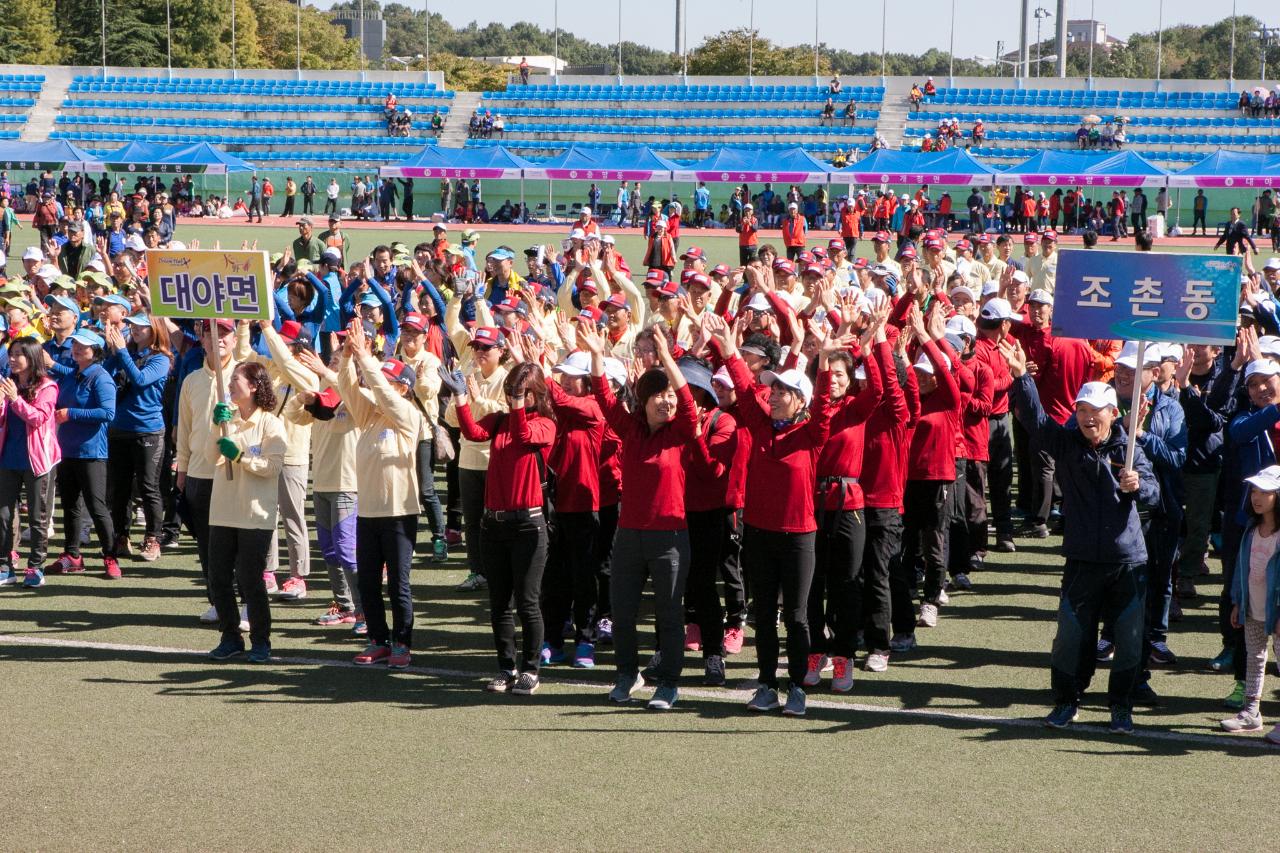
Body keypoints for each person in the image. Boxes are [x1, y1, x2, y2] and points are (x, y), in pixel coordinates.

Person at [1003, 340, 1159, 735]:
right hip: (1082, 561)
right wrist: (1023, 379)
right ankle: (1067, 700)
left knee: (1129, 639)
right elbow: (1036, 423)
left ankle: (1121, 706)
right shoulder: (1068, 445)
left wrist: (1137, 484)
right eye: (1082, 411)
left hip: (1127, 563)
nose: (1089, 419)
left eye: (1097, 412)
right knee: (1072, 636)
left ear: (1113, 414)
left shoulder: (1130, 450)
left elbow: (1157, 495)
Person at [706, 307, 838, 718]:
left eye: (783, 391)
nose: (774, 395)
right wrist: (729, 351)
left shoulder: (812, 432)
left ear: (800, 400)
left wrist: (827, 362)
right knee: (765, 615)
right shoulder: (763, 427)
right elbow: (746, 391)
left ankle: (796, 687)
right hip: (759, 534)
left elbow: (827, 407)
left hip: (799, 537)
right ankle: (766, 685)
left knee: (796, 618)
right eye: (774, 390)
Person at [576, 319, 698, 711]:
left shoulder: (680, 433)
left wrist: (664, 357)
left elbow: (689, 405)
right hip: (629, 535)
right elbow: (603, 398)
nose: (667, 401)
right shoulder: (629, 430)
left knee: (668, 614)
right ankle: (628, 672)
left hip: (670, 538)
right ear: (643, 401)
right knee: (623, 612)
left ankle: (669, 683)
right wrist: (596, 356)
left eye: (669, 396)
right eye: (658, 395)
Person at [450, 358, 556, 696]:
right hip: (493, 524)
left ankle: (531, 670)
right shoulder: (500, 421)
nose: (519, 398)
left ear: (538, 394)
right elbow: (472, 433)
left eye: (525, 393)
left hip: (528, 525)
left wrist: (518, 405)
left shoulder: (545, 424)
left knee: (527, 601)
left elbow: (525, 434)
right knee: (499, 603)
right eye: (514, 391)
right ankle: (506, 668)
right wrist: (460, 398)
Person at [337, 319, 421, 670]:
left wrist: (366, 359)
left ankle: (402, 642)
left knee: (398, 585)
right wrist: (347, 357)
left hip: (399, 513)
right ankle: (378, 639)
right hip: (369, 512)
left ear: (402, 388)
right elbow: (347, 386)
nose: (380, 386)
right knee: (368, 581)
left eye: (388, 381)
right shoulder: (369, 417)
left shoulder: (407, 415)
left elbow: (382, 392)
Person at [205, 362, 288, 664]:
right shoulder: (229, 420)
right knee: (218, 579)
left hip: (255, 514)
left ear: (253, 385)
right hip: (223, 511)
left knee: (251, 580)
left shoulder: (271, 424)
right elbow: (209, 456)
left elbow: (272, 467)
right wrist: (216, 426)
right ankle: (230, 637)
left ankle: (261, 640)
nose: (230, 384)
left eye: (236, 379)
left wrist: (239, 457)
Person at [49, 329, 119, 579]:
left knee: (96, 507)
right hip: (67, 450)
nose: (77, 348)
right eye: (75, 344)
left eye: (84, 345)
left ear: (96, 351)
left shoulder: (101, 377)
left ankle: (110, 556)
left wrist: (71, 414)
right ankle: (72, 555)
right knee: (69, 506)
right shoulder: (73, 375)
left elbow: (107, 414)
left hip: (91, 452)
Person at [104, 312, 171, 562]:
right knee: (119, 489)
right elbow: (104, 373)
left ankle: (153, 539)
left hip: (148, 430)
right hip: (119, 428)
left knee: (148, 487)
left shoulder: (161, 359)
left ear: (154, 330)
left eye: (141, 327)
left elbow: (140, 380)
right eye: (132, 326)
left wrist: (121, 353)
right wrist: (113, 351)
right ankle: (121, 536)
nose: (135, 330)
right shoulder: (126, 353)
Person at [1220, 465, 1280, 742]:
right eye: (1254, 490)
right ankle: (1251, 712)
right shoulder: (1251, 529)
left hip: (1275, 612)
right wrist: (1237, 602)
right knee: (1254, 660)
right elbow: (1241, 570)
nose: (1256, 497)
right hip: (1252, 608)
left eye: (1264, 492)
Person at [0, 338, 60, 587]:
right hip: (8, 458)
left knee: (38, 516)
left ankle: (36, 567)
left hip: (38, 460)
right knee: (3, 514)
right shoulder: (8, 384)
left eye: (17, 355)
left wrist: (14, 399)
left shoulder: (48, 386)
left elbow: (38, 418)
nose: (11, 359)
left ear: (31, 357)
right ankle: (5, 565)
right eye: (10, 354)